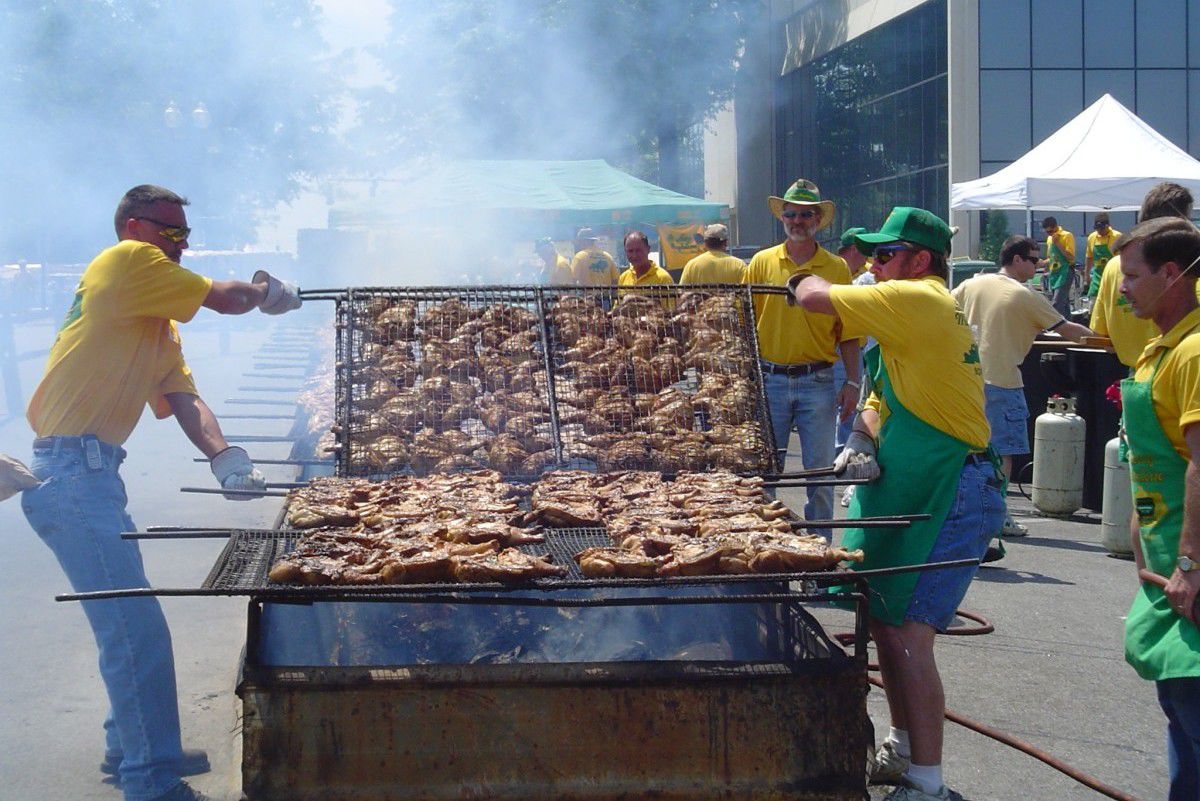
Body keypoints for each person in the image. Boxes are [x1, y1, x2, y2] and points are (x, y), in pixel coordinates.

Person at [19, 184, 302, 801]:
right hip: (71, 475)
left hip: (93, 474)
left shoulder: (154, 322)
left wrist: (226, 458)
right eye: (170, 233)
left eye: (186, 237)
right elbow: (226, 299)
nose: (179, 246)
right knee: (135, 629)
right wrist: (265, 290)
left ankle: (133, 747)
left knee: (127, 621)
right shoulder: (124, 263)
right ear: (133, 226)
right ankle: (150, 782)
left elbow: (183, 398)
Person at [792, 206, 1004, 801]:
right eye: (872, 254)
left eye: (885, 255)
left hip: (950, 487)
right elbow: (880, 397)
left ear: (920, 260)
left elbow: (812, 298)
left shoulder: (922, 300)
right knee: (884, 624)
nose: (873, 265)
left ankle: (928, 784)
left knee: (909, 634)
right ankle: (904, 748)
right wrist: (861, 437)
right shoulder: (905, 321)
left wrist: (799, 275)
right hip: (908, 484)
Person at [1114, 216, 1200, 800]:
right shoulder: (1157, 350)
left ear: (1172, 275)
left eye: (1132, 276)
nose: (1121, 288)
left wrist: (1191, 564)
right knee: (1180, 713)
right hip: (1164, 555)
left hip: (1189, 568)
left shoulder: (1194, 352)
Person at [952, 235, 1093, 539]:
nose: (1038, 264)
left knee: (967, 451)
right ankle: (998, 515)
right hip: (1002, 381)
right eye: (1032, 259)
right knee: (1002, 453)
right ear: (1016, 260)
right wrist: (1106, 340)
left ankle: (967, 513)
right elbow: (1069, 331)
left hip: (966, 381)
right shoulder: (1025, 295)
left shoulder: (972, 284)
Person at [743, 179, 860, 538]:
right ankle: (765, 553)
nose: (796, 220)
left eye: (804, 214)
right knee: (763, 474)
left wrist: (854, 382)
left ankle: (819, 555)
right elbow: (745, 322)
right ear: (783, 218)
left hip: (819, 381)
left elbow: (850, 331)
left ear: (817, 220)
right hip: (769, 380)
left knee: (820, 475)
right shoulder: (762, 262)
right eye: (790, 213)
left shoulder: (837, 268)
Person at [1092, 183, 1195, 368]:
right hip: (1166, 371)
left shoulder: (1114, 265)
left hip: (1141, 370)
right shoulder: (1187, 268)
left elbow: (1100, 333)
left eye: (1131, 277)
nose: (1124, 287)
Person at [680, 223, 746, 284]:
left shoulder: (692, 265)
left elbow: (681, 292)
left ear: (705, 243)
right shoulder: (739, 265)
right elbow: (748, 292)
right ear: (725, 242)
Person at [1040, 216, 1076, 317]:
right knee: (1064, 304)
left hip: (1065, 272)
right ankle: (1068, 328)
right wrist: (1042, 263)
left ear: (1056, 226)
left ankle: (1056, 327)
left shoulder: (1067, 236)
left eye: (1051, 231)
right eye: (1047, 232)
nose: (1050, 234)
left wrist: (1058, 244)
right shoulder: (1049, 239)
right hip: (1055, 273)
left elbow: (1071, 258)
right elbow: (1051, 258)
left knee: (1057, 302)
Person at [1085, 212, 1121, 300]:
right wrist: (1086, 275)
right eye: (1097, 229)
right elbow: (1089, 257)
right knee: (1093, 303)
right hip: (1097, 277)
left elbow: (1123, 259)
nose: (1100, 231)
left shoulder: (1117, 236)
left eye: (1102, 229)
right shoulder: (1092, 237)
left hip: (1113, 277)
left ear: (1108, 226)